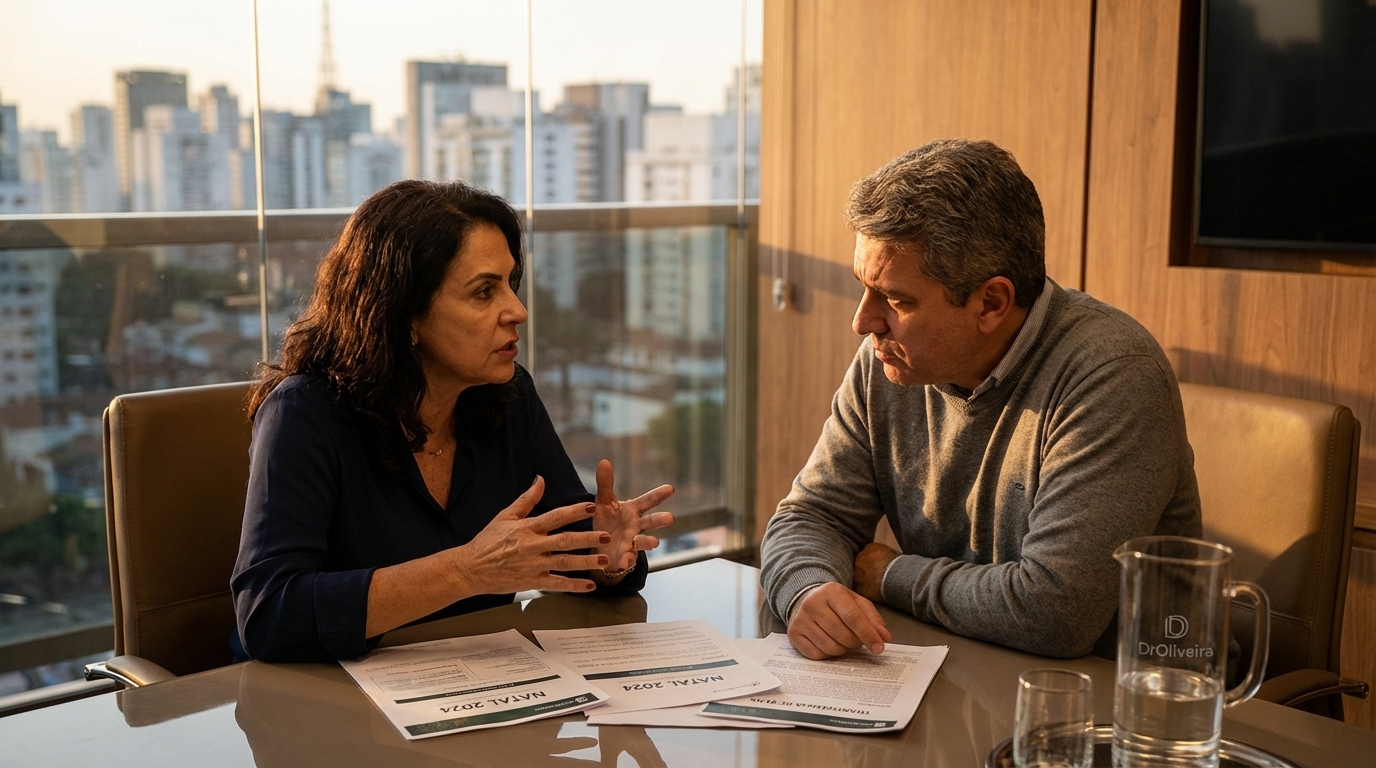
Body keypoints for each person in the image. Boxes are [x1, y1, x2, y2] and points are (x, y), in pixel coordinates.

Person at [760, 139, 1201, 661]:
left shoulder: (1112, 375)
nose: (863, 321)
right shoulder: (889, 358)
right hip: (962, 664)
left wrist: (889, 573)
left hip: (1128, 694)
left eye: (896, 299)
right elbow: (811, 517)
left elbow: (1056, 612)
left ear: (991, 302)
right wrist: (808, 590)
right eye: (864, 287)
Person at [231, 179, 674, 662]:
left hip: (483, 683)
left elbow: (563, 545)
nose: (518, 311)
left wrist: (607, 556)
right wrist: (467, 571)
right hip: (329, 694)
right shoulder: (303, 413)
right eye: (484, 292)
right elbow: (269, 614)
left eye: (510, 285)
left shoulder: (508, 396)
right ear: (405, 315)